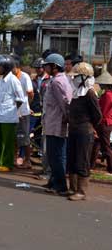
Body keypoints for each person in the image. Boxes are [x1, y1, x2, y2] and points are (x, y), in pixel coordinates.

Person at [67, 62, 102, 201]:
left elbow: (98, 115)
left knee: (82, 160)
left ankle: (81, 191)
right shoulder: (76, 93)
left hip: (84, 131)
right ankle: (73, 188)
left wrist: (89, 125)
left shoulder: (89, 94)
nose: (73, 79)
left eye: (76, 76)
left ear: (84, 78)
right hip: (74, 130)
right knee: (72, 158)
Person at [42, 53, 73, 196]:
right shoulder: (58, 80)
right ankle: (54, 181)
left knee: (57, 155)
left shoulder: (57, 82)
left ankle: (61, 186)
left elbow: (65, 103)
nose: (44, 68)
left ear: (54, 66)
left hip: (57, 123)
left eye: (47, 65)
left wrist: (66, 119)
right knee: (54, 154)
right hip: (52, 122)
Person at [0, 55, 25, 172]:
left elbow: (20, 99)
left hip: (9, 117)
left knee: (8, 142)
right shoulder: (1, 80)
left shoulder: (13, 80)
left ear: (6, 67)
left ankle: (7, 163)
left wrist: (12, 110)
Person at [12, 56, 34, 169]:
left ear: (18, 67)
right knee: (15, 137)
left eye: (13, 67)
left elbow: (30, 94)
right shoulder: (10, 77)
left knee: (25, 138)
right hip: (12, 112)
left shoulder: (25, 77)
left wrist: (27, 105)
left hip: (23, 112)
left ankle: (28, 160)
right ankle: (14, 159)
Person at [91, 65, 112, 174]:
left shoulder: (107, 95)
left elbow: (102, 111)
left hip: (104, 123)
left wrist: (96, 122)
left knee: (105, 146)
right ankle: (92, 165)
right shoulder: (107, 94)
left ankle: (110, 167)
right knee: (97, 144)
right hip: (104, 123)